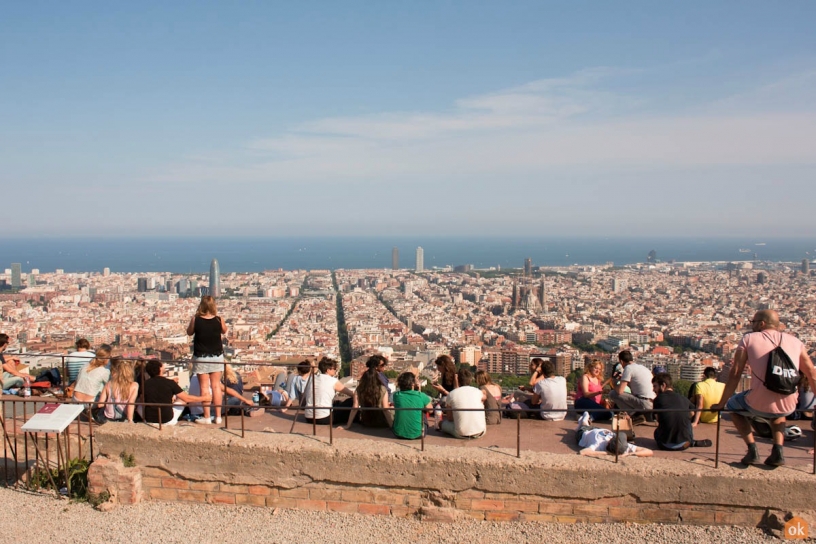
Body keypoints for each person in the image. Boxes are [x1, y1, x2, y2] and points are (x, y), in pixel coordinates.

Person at [714, 310, 816, 467]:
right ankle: (778, 451)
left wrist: (721, 404)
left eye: (753, 322)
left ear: (761, 323)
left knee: (733, 406)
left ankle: (752, 449)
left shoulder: (749, 339)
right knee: (778, 412)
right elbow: (811, 373)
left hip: (758, 402)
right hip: (789, 404)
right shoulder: (795, 342)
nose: (751, 325)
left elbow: (735, 373)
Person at [186, 296, 228, 425]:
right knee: (216, 386)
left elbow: (189, 332)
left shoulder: (196, 320)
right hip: (216, 356)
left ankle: (207, 417)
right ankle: (218, 417)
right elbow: (224, 330)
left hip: (201, 357)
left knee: (204, 387)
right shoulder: (219, 319)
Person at [652, 373, 712, 450]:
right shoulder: (683, 398)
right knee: (687, 422)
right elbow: (692, 413)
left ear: (663, 385)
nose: (653, 390)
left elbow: (658, 419)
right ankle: (691, 441)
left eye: (655, 386)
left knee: (656, 432)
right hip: (684, 444)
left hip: (665, 445)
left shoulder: (658, 400)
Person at [142, 360, 211, 425]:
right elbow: (186, 398)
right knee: (181, 400)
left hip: (149, 419)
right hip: (167, 420)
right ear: (160, 369)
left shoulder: (145, 384)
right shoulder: (169, 383)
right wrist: (204, 398)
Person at [302, 357, 358, 425]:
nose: (335, 371)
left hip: (308, 417)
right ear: (328, 370)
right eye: (334, 369)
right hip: (324, 418)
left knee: (336, 404)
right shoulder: (332, 381)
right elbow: (352, 394)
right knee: (351, 401)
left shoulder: (311, 378)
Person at [575, 411, 653, 458]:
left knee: (588, 425)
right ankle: (584, 419)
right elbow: (582, 452)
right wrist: (607, 453)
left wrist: (630, 455)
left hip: (600, 431)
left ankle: (584, 419)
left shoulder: (623, 445)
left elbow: (649, 451)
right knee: (582, 427)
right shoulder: (599, 444)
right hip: (585, 433)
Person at [439, 368, 487, 439]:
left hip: (461, 433)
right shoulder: (478, 392)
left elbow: (450, 418)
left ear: (457, 380)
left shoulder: (452, 394)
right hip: (481, 431)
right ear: (470, 379)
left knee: (441, 424)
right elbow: (484, 397)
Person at [608, 350, 655, 424]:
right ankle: (638, 415)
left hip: (643, 403)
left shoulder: (628, 368)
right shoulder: (643, 367)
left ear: (621, 361)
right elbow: (637, 387)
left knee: (613, 393)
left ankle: (635, 415)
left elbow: (620, 391)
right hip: (653, 402)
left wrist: (614, 383)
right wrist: (625, 380)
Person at [345, 359, 393, 429]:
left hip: (366, 421)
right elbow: (385, 409)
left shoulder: (359, 389)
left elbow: (355, 408)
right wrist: (392, 426)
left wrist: (348, 425)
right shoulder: (382, 389)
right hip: (381, 421)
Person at [96, 357, 139, 423]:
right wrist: (130, 420)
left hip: (108, 419)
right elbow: (131, 404)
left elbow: (100, 404)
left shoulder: (109, 384)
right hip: (123, 418)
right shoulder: (134, 385)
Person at [392, 372, 433, 440]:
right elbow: (431, 410)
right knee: (423, 410)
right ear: (413, 384)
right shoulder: (421, 395)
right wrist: (419, 390)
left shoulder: (396, 395)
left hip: (398, 433)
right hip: (419, 434)